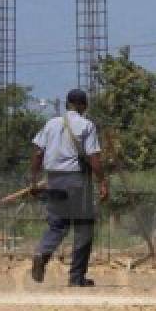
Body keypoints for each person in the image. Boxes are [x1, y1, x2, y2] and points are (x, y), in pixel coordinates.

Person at [29, 88, 109, 287]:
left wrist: (33, 180)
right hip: (76, 181)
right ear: (83, 105)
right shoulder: (86, 125)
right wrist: (103, 181)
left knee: (57, 225)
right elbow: (93, 157)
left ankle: (42, 253)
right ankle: (76, 277)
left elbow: (38, 153)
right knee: (83, 228)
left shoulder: (50, 123)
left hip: (53, 180)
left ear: (67, 104)